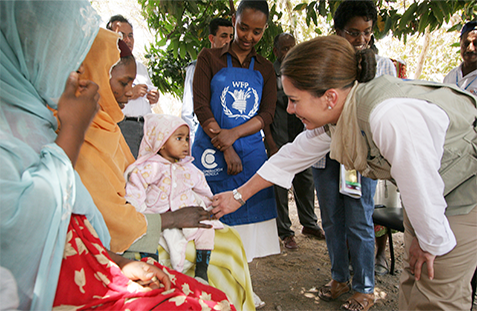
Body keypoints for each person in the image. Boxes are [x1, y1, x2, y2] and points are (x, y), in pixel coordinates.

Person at [212, 34, 477, 311]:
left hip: (462, 192)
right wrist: (238, 196)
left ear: (329, 97)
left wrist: (429, 240)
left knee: (436, 293)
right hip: (431, 195)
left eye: (294, 100)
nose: (289, 109)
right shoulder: (341, 113)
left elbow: (422, 186)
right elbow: (290, 157)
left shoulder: (386, 117)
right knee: (414, 281)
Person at [0, 1, 234, 310]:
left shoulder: (45, 121)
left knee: (217, 291)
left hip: (100, 258)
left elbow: (83, 219)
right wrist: (71, 131)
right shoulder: (57, 125)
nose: (68, 69)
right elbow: (22, 232)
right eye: (61, 53)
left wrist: (117, 262)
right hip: (66, 276)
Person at [73, 18, 256, 311]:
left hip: (143, 222)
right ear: (93, 76)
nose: (128, 93)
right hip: (121, 242)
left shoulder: (108, 126)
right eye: (123, 83)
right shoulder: (81, 133)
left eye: (132, 83)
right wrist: (171, 219)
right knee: (217, 260)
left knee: (229, 242)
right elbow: (111, 218)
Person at [192, 0, 280, 262]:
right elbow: (201, 106)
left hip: (251, 154)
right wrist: (227, 145)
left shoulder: (265, 68)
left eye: (257, 31)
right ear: (234, 20)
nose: (248, 37)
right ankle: (214, 286)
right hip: (212, 151)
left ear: (264, 30)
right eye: (243, 28)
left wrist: (235, 134)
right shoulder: (208, 58)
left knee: (248, 226)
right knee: (212, 220)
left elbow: (266, 115)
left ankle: (242, 286)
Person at [124, 114, 224, 283]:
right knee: (148, 235)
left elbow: (204, 192)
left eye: (186, 138)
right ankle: (151, 265)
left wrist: (210, 208)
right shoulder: (148, 168)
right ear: (161, 143)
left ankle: (201, 272)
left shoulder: (190, 169)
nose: (185, 143)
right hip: (159, 218)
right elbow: (136, 191)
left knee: (207, 229)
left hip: (186, 217)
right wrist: (138, 211)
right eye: (179, 138)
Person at [263, 32, 325, 250]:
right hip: (278, 134)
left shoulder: (301, 70)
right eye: (285, 48)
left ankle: (309, 223)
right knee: (279, 182)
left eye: (293, 47)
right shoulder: (269, 73)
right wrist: (270, 141)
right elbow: (266, 111)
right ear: (276, 51)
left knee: (305, 179)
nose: (289, 51)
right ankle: (285, 232)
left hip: (301, 132)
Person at [444, 20, 477, 309]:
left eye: (476, 42)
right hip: (448, 165)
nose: (471, 47)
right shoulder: (451, 76)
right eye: (466, 41)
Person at [107, 15, 160, 158]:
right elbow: (104, 99)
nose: (127, 40)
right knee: (128, 173)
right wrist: (131, 92)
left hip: (147, 127)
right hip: (124, 126)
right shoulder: (106, 66)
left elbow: (148, 97)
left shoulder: (140, 67)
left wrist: (153, 98)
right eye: (121, 35)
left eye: (130, 35)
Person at [182, 18, 233, 144]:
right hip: (203, 136)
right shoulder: (195, 67)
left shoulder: (236, 68)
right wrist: (193, 140)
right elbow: (188, 110)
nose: (228, 41)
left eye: (231, 36)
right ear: (211, 38)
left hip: (231, 136)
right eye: (223, 36)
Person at [443, 21, 477, 95]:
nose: (470, 48)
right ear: (460, 43)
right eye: (466, 44)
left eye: (476, 44)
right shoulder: (451, 76)